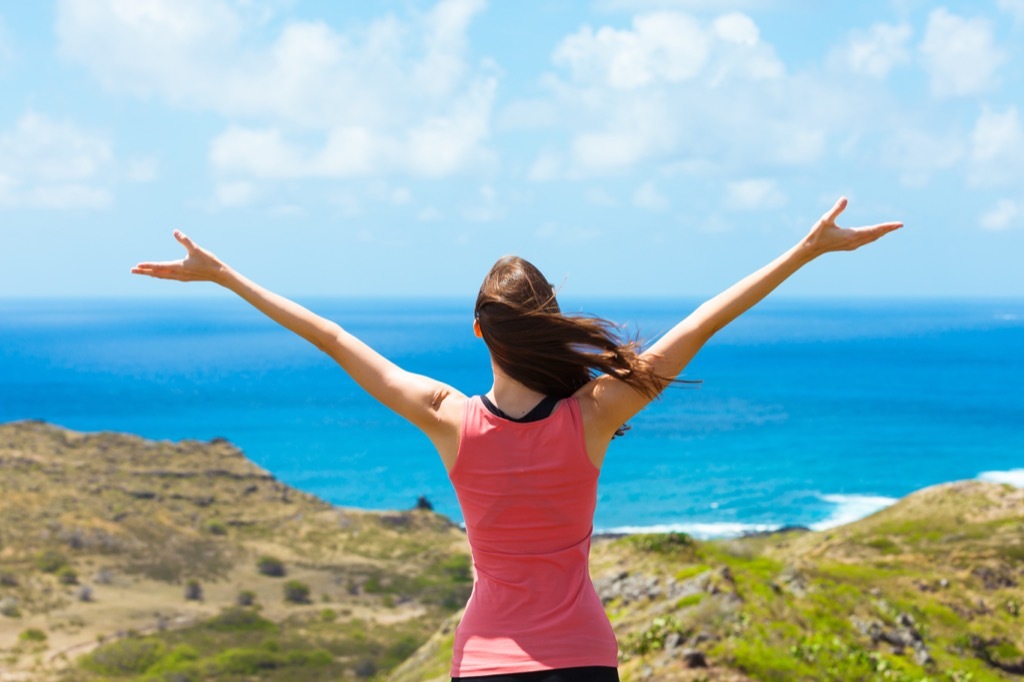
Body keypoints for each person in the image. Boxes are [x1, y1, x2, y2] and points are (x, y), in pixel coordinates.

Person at [132, 197, 901, 681]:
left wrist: (227, 276)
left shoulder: (447, 417)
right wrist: (806, 251)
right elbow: (703, 320)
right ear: (552, 319)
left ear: (478, 330)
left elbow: (333, 337)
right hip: (587, 659)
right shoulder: (594, 412)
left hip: (487, 660)